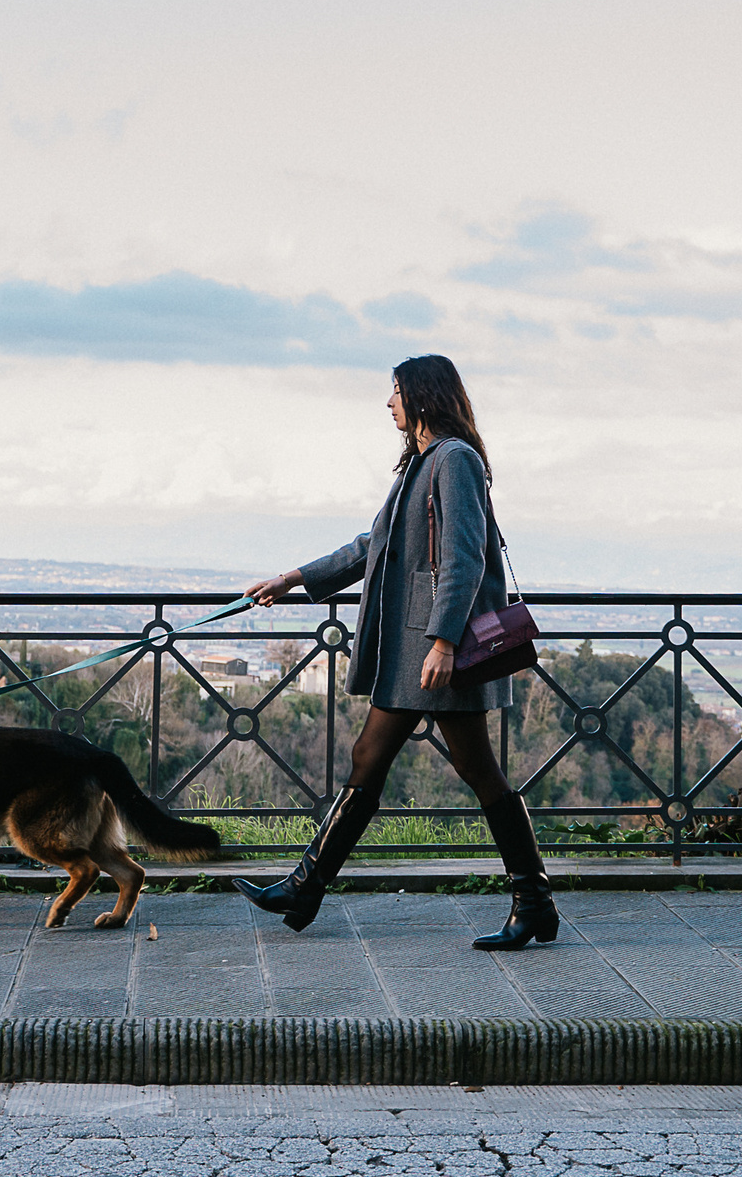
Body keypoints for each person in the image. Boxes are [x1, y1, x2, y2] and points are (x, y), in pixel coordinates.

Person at [235, 354, 555, 950]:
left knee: (469, 770)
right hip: (418, 648)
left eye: (396, 392)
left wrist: (442, 641)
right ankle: (306, 887)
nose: (389, 403)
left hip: (435, 649)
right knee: (380, 759)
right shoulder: (422, 463)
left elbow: (463, 558)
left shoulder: (453, 461)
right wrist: (294, 577)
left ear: (422, 397)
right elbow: (372, 544)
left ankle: (532, 901)